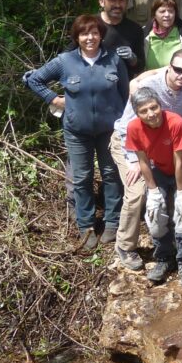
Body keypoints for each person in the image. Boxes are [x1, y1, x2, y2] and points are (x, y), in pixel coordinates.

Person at [27, 14, 129, 251]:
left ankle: (113, 222)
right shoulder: (65, 61)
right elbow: (34, 80)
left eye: (94, 32)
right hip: (77, 131)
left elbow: (125, 94)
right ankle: (86, 226)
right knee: (81, 177)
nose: (90, 37)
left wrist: (125, 125)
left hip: (109, 131)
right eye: (84, 34)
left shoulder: (113, 59)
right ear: (77, 37)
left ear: (101, 35)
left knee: (111, 174)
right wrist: (52, 98)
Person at [111, 49, 182, 271]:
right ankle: (125, 246)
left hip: (161, 143)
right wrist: (133, 161)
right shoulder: (147, 88)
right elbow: (128, 128)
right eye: (178, 70)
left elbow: (181, 125)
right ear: (169, 67)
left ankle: (174, 245)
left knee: (169, 193)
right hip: (128, 143)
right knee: (138, 191)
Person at [124, 87, 182, 287]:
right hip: (159, 168)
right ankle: (163, 258)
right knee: (155, 214)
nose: (151, 114)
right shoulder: (134, 128)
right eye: (144, 111)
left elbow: (179, 161)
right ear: (137, 113)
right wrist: (152, 192)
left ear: (160, 105)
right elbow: (142, 161)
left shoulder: (175, 122)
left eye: (154, 107)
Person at [97, 0, 145, 77]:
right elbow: (69, 55)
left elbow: (140, 66)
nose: (117, 5)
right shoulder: (90, 24)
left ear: (127, 3)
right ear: (102, 1)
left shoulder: (135, 29)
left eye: (121, 0)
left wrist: (133, 59)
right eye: (112, 0)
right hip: (94, 83)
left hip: (122, 86)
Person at [143, 0, 182, 70]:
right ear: (154, 14)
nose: (167, 15)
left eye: (171, 11)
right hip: (147, 78)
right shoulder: (143, 35)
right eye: (162, 11)